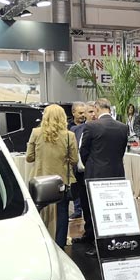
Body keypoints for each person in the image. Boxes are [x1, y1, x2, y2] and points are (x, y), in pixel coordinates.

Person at [79, 98, 130, 256]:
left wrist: (91, 165)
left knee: (97, 211)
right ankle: (117, 243)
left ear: (97, 108)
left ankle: (99, 246)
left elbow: (83, 151)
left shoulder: (91, 126)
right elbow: (122, 151)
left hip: (96, 176)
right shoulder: (123, 127)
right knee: (115, 210)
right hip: (116, 174)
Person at [26, 104, 79, 248]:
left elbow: (29, 157)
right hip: (61, 180)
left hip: (39, 180)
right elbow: (74, 160)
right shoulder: (69, 135)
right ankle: (60, 245)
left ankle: (39, 242)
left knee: (38, 212)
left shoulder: (36, 132)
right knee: (62, 213)